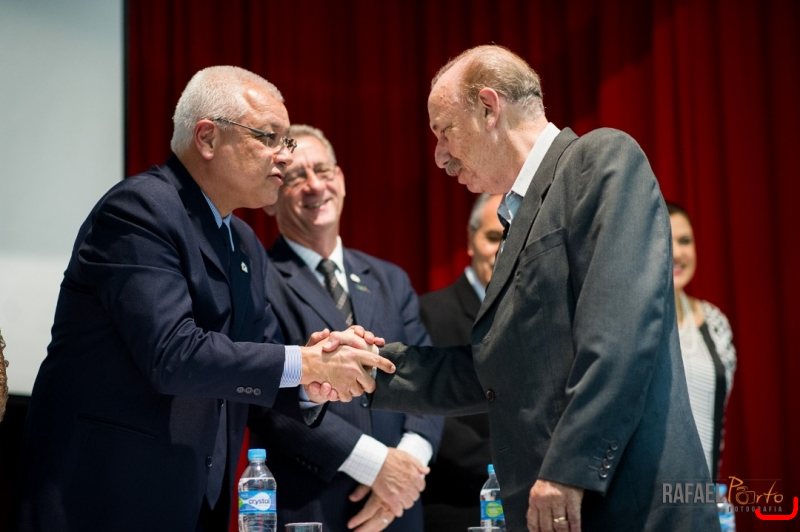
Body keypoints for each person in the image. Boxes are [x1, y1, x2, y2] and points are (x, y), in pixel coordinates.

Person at [14, 66, 393, 532]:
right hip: (103, 497)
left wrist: (311, 380)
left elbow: (260, 357)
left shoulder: (245, 242)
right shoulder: (138, 210)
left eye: (287, 142)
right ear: (208, 138)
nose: (285, 157)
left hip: (195, 500)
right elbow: (173, 354)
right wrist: (306, 362)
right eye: (269, 137)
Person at [369, 45, 720, 531]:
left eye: (444, 131)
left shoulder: (599, 160)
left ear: (489, 108)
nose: (440, 155)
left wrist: (568, 469)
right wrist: (367, 370)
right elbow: (495, 371)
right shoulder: (517, 218)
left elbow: (619, 335)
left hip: (627, 509)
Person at [250, 124, 444, 532]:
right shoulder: (258, 281)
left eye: (323, 171)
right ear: (271, 196)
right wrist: (376, 466)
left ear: (340, 179)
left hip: (398, 512)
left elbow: (426, 380)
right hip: (311, 511)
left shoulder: (390, 280)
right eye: (296, 176)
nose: (314, 186)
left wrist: (404, 473)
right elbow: (265, 400)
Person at [418, 193, 502, 532]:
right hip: (456, 509)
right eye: (493, 237)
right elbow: (427, 413)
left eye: (513, 238)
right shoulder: (427, 313)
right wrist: (512, 465)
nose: (502, 250)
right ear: (470, 241)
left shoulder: (542, 316)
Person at [667, 202, 737, 480]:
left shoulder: (715, 321)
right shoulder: (631, 321)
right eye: (666, 239)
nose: (677, 252)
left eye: (685, 241)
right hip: (650, 496)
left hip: (704, 490)